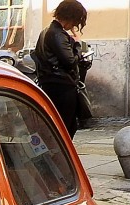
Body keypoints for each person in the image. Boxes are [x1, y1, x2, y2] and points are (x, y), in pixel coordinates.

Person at [32, 1, 89, 136]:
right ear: (71, 17)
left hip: (51, 84)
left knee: (59, 126)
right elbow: (69, 61)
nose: (75, 25)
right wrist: (77, 45)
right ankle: (61, 156)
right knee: (66, 127)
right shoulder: (57, 34)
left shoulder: (46, 31)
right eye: (76, 21)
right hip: (62, 86)